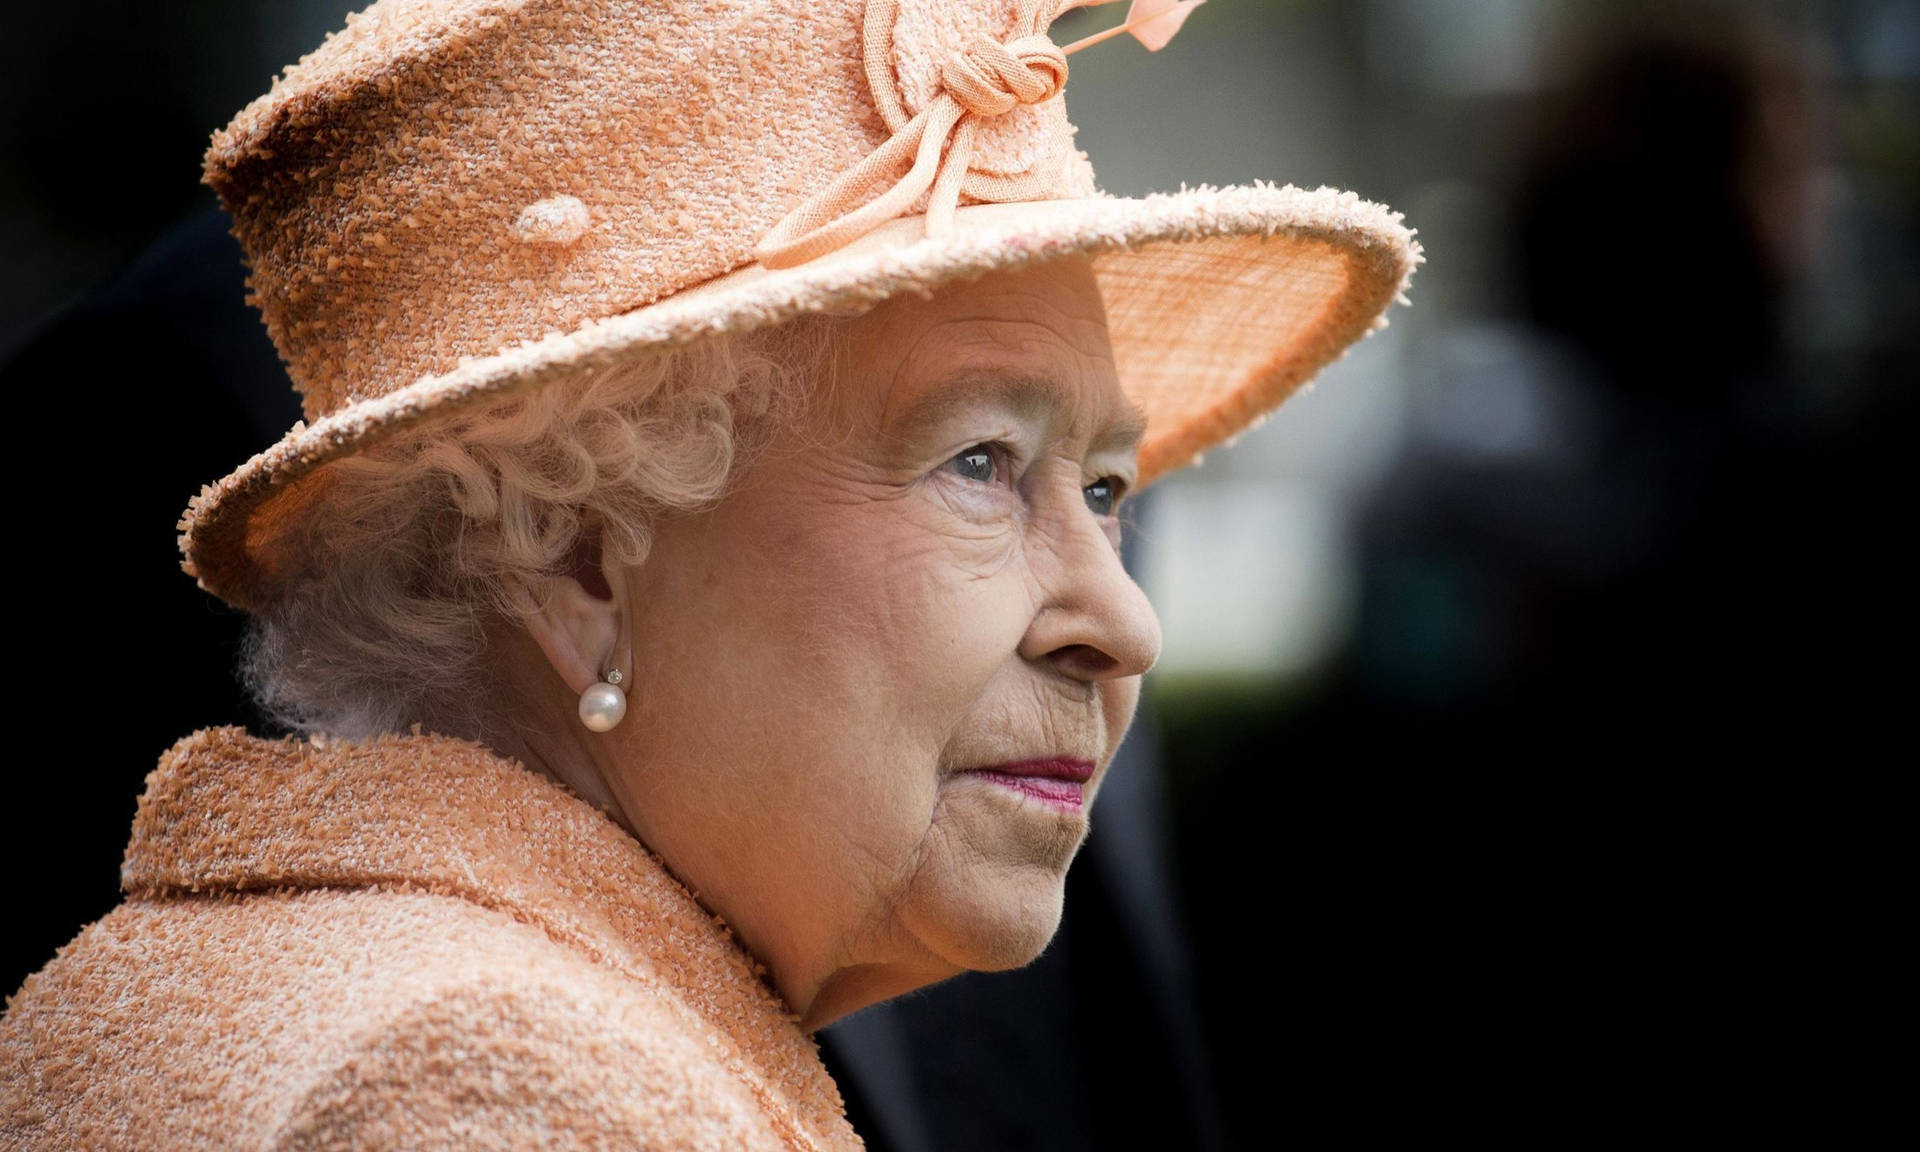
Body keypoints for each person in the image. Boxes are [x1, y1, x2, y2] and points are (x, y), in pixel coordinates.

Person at [0, 0, 1419, 1146]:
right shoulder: (509, 1094)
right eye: (980, 462)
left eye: (1106, 489)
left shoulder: (237, 975)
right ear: (576, 563)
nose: (1126, 620)